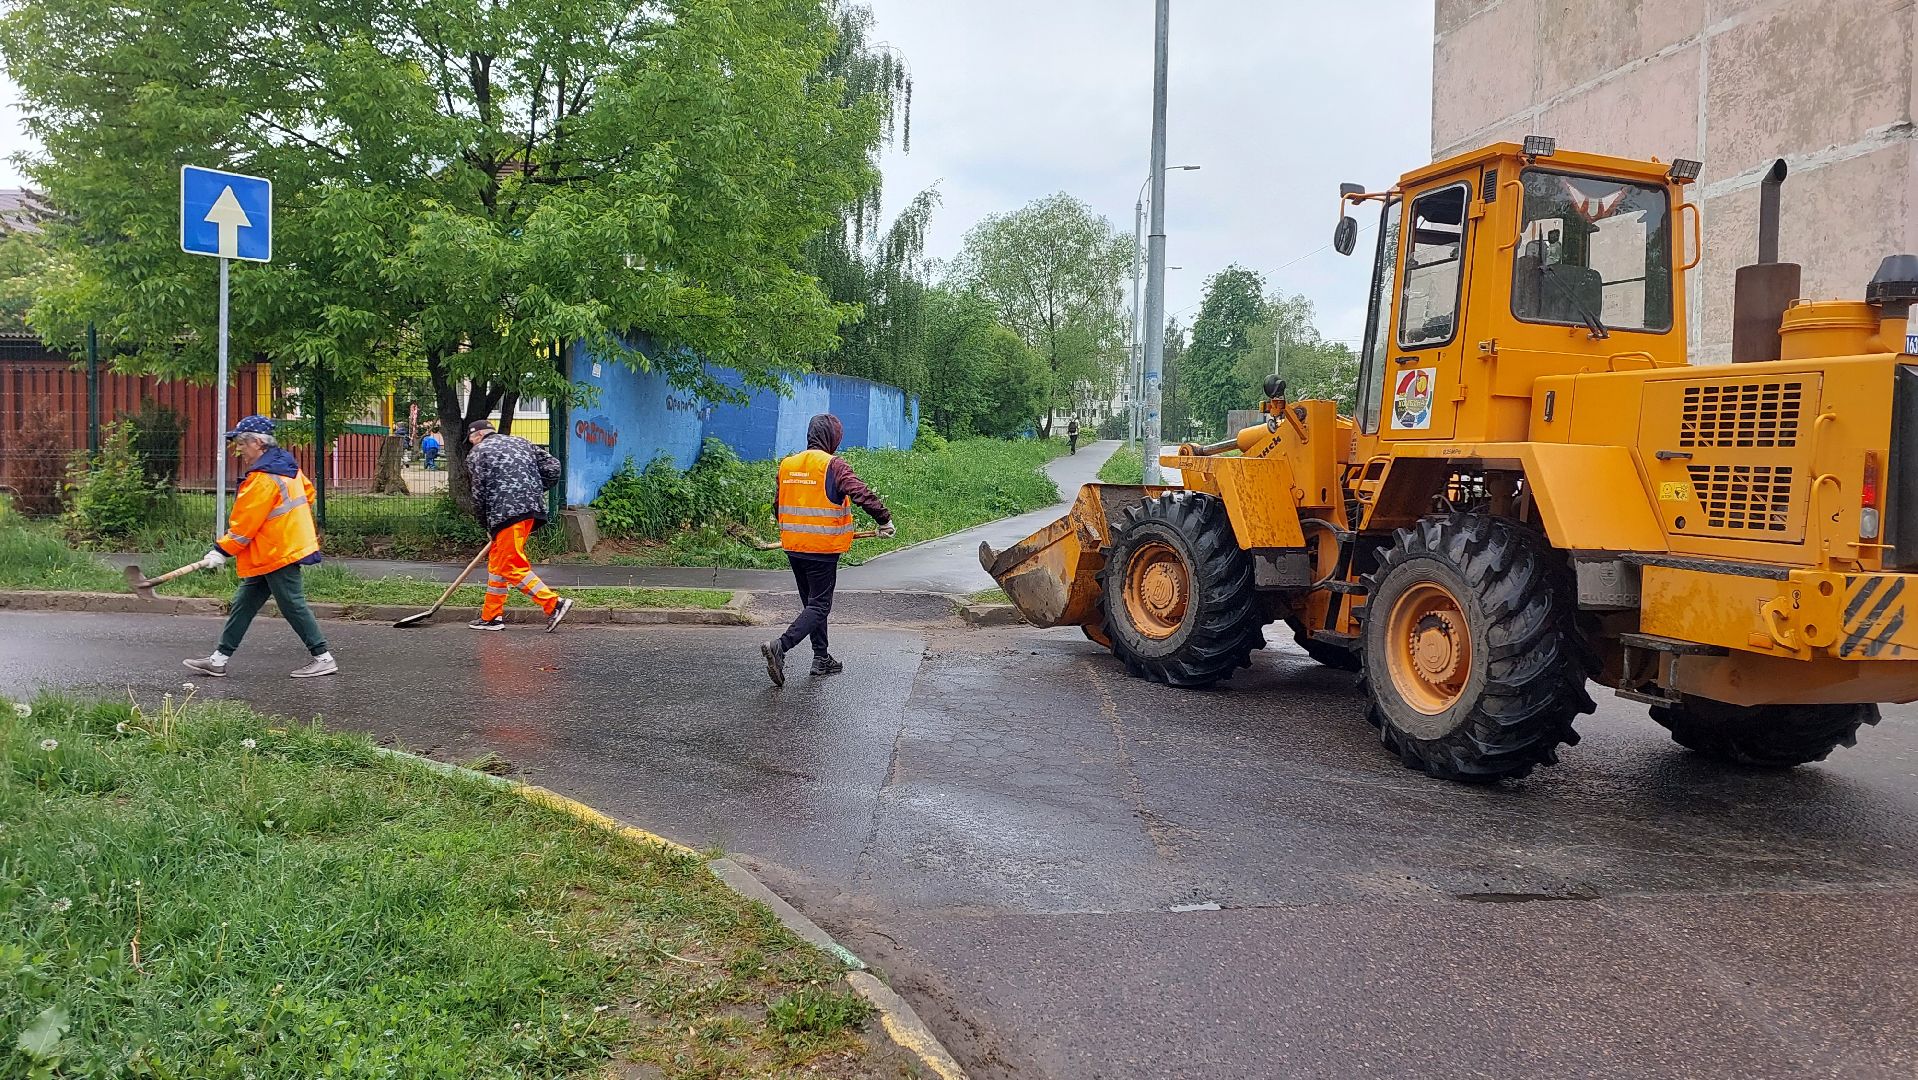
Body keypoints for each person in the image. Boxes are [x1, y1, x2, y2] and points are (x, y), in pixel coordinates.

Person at [182, 416, 338, 679]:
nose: (238, 449)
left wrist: (221, 551)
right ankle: (218, 660)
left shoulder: (263, 479)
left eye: (241, 443)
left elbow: (244, 526)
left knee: (292, 604)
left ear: (256, 442)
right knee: (243, 604)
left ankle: (323, 658)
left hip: (278, 551)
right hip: (275, 548)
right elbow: (307, 494)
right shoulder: (288, 467)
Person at [760, 414, 894, 686]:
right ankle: (780, 647)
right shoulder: (833, 466)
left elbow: (778, 506)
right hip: (821, 549)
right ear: (832, 438)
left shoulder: (787, 465)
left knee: (812, 605)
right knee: (820, 605)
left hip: (794, 546)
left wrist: (798, 528)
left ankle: (821, 658)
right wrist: (884, 519)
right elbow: (860, 493)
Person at [465, 420, 573, 632]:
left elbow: (478, 494)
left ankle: (554, 604)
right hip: (530, 510)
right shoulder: (522, 442)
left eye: (470, 439)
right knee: (498, 564)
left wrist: (485, 524)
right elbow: (553, 467)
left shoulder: (478, 453)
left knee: (510, 565)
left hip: (505, 514)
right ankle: (491, 617)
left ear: (477, 435)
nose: (470, 443)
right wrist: (532, 489)